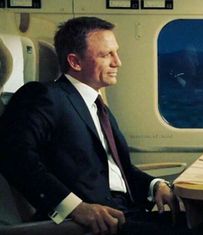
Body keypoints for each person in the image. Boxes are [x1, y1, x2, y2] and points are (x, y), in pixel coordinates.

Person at [0, 17, 189, 235]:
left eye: (116, 52)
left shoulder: (97, 106)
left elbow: (120, 172)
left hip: (128, 212)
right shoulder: (44, 96)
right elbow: (14, 156)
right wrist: (76, 208)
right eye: (106, 54)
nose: (117, 62)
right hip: (95, 223)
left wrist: (156, 185)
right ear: (75, 62)